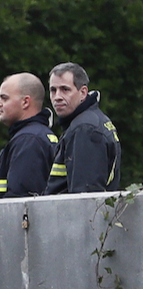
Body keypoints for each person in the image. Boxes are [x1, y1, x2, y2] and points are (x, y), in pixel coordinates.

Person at [44, 62, 120, 194]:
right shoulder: (88, 122)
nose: (57, 97)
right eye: (53, 90)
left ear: (83, 92)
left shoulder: (85, 129)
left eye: (65, 89)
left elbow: (85, 198)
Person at [0, 73, 57, 198]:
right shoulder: (38, 135)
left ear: (25, 102)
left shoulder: (29, 140)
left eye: (4, 98)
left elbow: (20, 201)